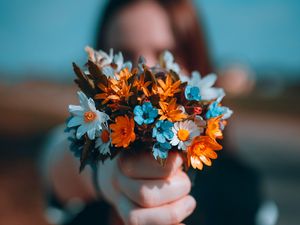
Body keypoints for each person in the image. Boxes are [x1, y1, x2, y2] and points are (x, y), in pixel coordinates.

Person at [44, 1, 261, 225]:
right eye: (124, 55)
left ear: (196, 61)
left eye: (166, 55)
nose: (145, 70)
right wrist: (105, 176)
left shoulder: (242, 188)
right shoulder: (85, 153)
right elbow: (58, 157)